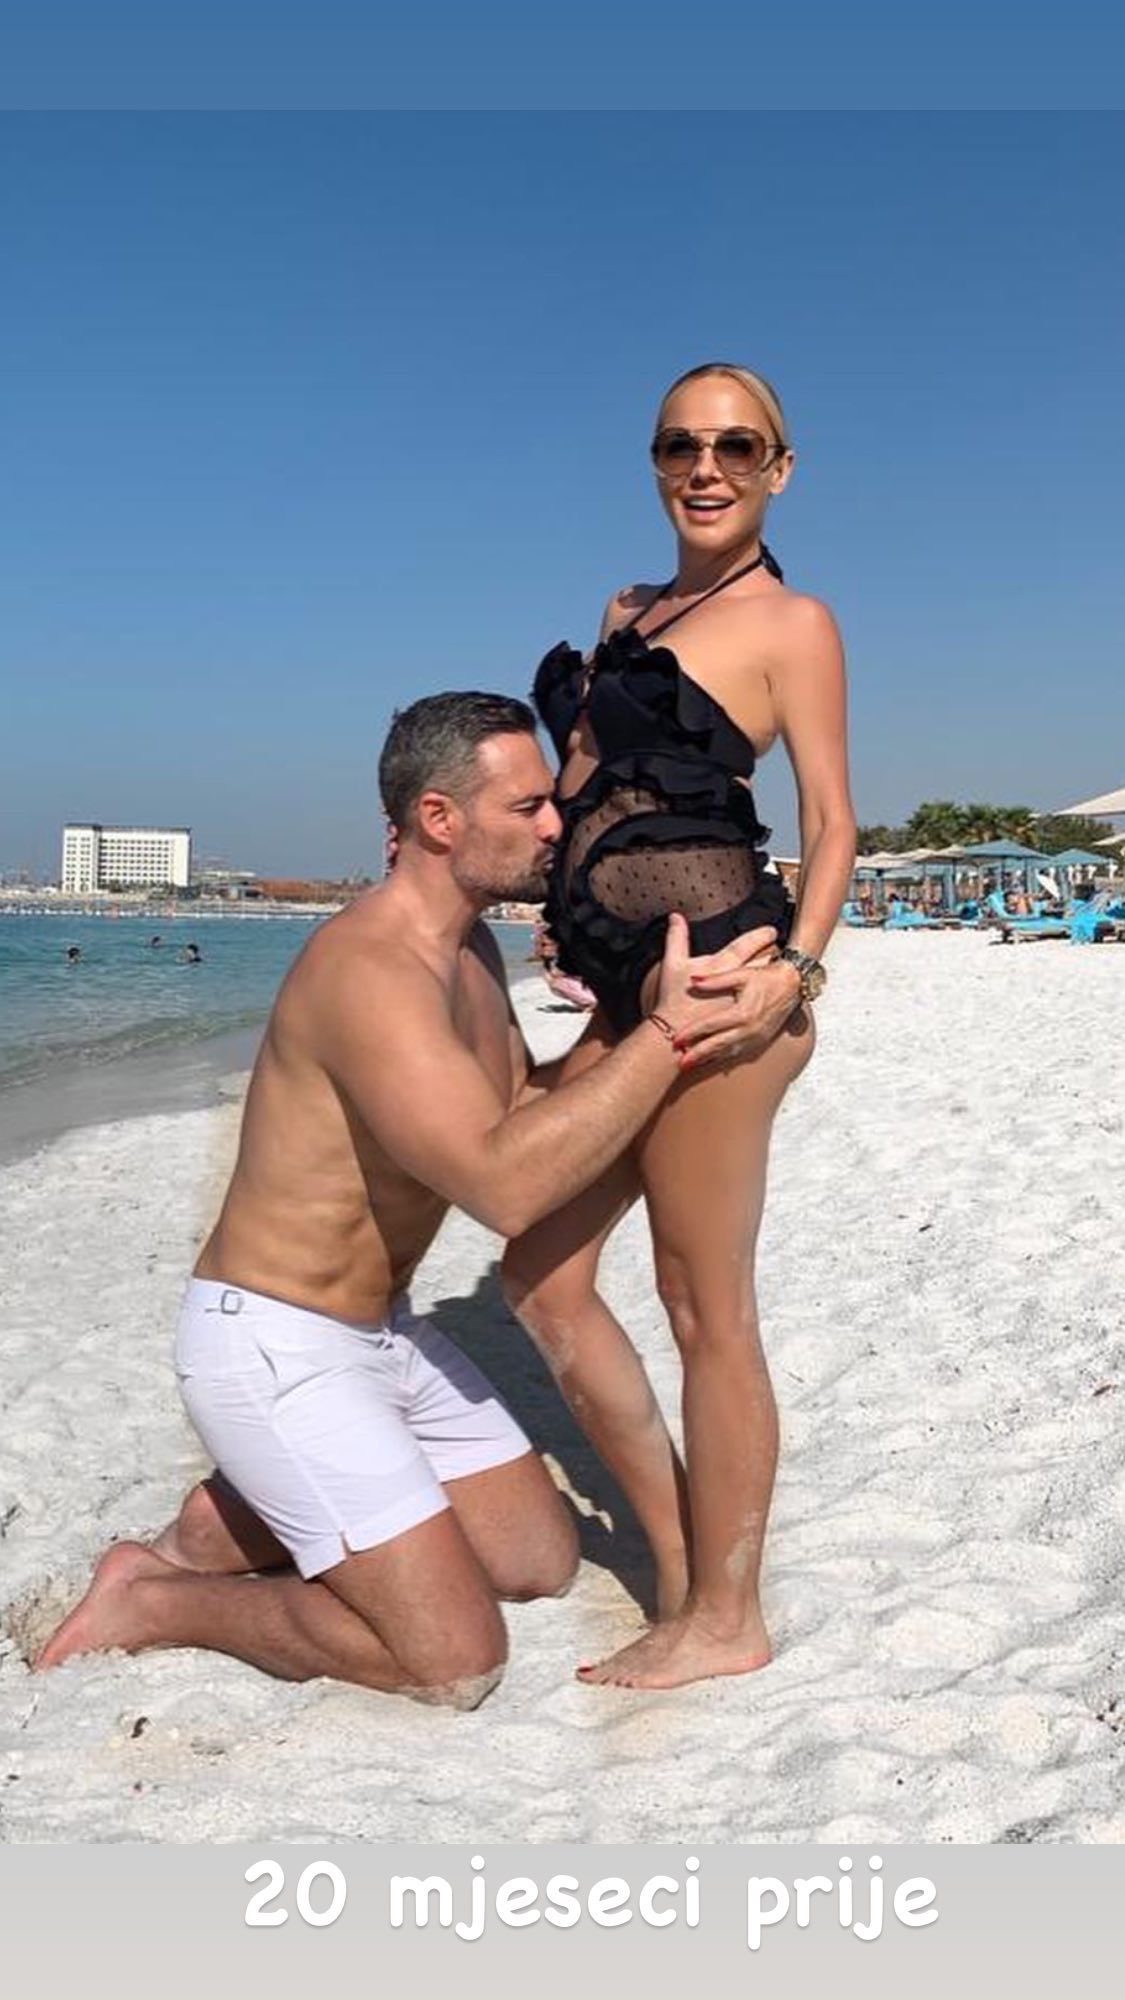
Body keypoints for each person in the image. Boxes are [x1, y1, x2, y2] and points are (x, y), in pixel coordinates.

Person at [37, 693, 737, 1707]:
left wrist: (631, 1013)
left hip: (380, 1330)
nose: (556, 825)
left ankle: (216, 1528)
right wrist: (664, 1038)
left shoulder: (470, 951)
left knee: (536, 1560)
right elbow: (506, 1186)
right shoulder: (370, 970)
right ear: (439, 819)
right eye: (529, 806)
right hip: (273, 1343)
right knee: (452, 1660)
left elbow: (519, 1111)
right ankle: (151, 1600)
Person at [501, 361, 856, 1689]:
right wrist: (549, 899)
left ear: (779, 468)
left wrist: (796, 973)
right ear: (655, 461)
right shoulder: (624, 610)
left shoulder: (793, 624)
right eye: (680, 445)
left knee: (705, 1306)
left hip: (721, 993)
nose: (706, 468)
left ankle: (726, 1614)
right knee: (539, 1273)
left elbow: (832, 823)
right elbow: (587, 790)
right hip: (622, 989)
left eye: (736, 446)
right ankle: (675, 1550)